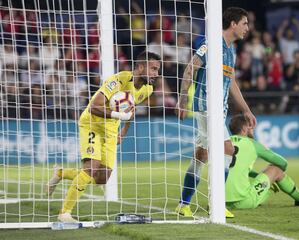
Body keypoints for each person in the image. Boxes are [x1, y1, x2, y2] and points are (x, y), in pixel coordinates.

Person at [45, 51, 161, 222]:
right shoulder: (120, 79)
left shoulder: (148, 89)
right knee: (91, 168)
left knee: (101, 178)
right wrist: (121, 116)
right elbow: (93, 107)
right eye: (153, 69)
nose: (156, 74)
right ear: (141, 66)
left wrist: (123, 131)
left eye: (157, 70)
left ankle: (62, 173)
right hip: (92, 123)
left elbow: (131, 111)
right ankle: (65, 213)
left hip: (111, 130)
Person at [175, 7, 256, 218]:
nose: (248, 28)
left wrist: (246, 110)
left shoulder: (231, 50)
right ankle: (217, 203)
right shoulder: (210, 43)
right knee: (228, 149)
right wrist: (183, 100)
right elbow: (190, 68)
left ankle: (183, 204)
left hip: (219, 110)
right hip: (205, 106)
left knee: (201, 155)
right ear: (233, 24)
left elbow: (231, 83)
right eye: (245, 23)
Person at [225, 114, 299, 210]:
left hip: (221, 203)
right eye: (250, 126)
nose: (252, 129)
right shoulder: (252, 144)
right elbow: (282, 162)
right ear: (244, 128)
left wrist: (259, 175)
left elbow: (236, 167)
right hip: (244, 202)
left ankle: (266, 189)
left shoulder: (224, 144)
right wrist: (276, 176)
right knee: (276, 169)